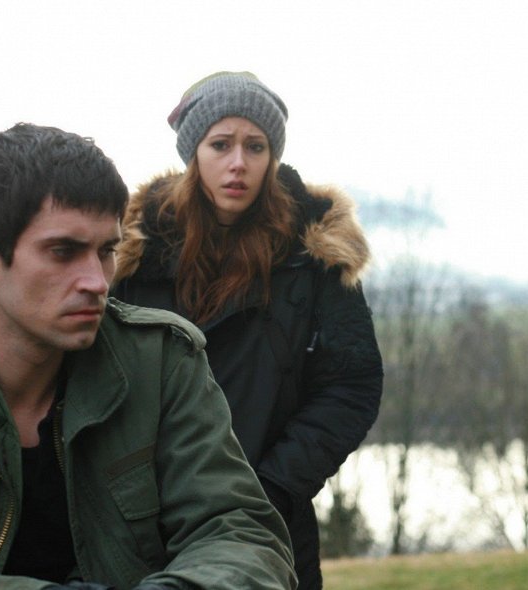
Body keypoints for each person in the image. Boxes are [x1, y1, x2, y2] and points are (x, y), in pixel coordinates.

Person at [0, 123, 297, 589]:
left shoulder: (160, 361)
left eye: (106, 250)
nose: (97, 281)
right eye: (63, 251)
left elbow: (239, 533)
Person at [112, 72, 383, 590]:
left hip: (270, 525)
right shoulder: (132, 254)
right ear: (194, 153)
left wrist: (271, 489)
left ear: (271, 156)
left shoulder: (313, 254)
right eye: (221, 144)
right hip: (147, 531)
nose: (238, 162)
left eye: (255, 146)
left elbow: (352, 385)